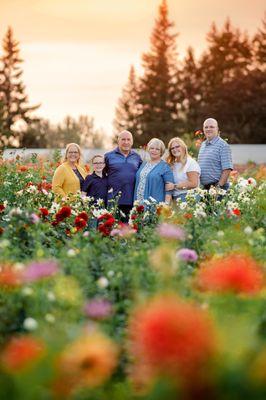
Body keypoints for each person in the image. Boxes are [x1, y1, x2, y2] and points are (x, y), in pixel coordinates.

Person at [104, 130, 142, 219]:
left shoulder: (137, 157)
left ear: (132, 142)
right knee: (113, 230)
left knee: (129, 231)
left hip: (132, 200)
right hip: (113, 200)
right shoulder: (108, 156)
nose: (126, 142)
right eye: (123, 139)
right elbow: (101, 175)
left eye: (128, 140)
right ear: (118, 141)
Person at [134, 138, 174, 204]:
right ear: (148, 149)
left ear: (161, 152)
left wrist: (165, 206)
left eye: (157, 149)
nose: (154, 151)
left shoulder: (165, 167)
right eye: (152, 148)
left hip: (155, 205)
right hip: (138, 202)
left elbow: (169, 190)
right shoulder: (143, 164)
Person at [198, 118, 233, 190]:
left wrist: (218, 188)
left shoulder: (223, 145)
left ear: (217, 129)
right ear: (203, 129)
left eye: (211, 127)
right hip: (204, 189)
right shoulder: (203, 145)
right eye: (206, 127)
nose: (208, 129)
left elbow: (227, 169)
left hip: (218, 189)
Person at [167, 137, 201, 202]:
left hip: (189, 197)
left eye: (177, 146)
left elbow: (193, 183)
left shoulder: (190, 163)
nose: (175, 149)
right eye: (172, 148)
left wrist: (174, 186)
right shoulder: (172, 164)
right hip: (175, 198)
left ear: (183, 147)